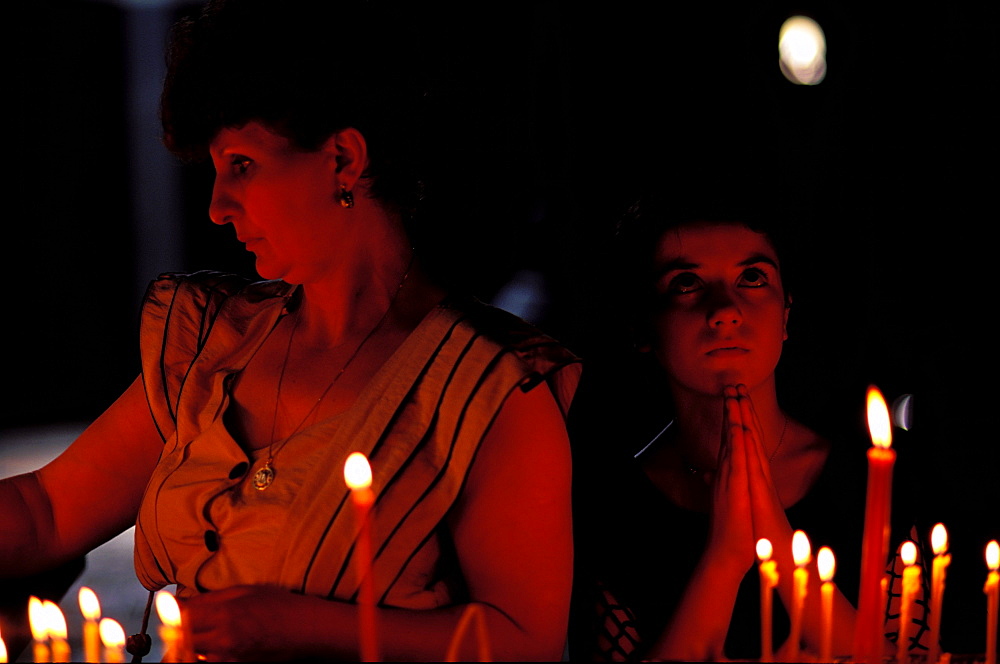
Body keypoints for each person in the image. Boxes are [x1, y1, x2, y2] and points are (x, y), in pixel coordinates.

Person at [0, 0, 580, 661]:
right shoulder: (207, 341)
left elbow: (526, 643)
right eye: (215, 173)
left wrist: (299, 625)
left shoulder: (488, 389)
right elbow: (45, 512)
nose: (218, 208)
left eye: (241, 166)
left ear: (343, 158)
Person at [568, 186, 929, 661]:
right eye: (686, 283)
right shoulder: (611, 509)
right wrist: (724, 557)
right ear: (641, 327)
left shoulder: (870, 482)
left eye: (753, 278)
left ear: (785, 314)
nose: (725, 311)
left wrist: (778, 542)